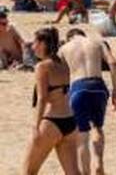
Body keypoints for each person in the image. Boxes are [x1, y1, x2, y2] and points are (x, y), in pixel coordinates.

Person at [59, 27, 116, 175]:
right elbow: (113, 63)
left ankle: (86, 172)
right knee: (97, 128)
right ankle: (98, 162)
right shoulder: (98, 42)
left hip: (78, 88)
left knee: (82, 133)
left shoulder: (64, 48)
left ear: (69, 38)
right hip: (98, 86)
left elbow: (60, 74)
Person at [24, 27, 82, 175]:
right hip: (70, 121)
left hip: (51, 122)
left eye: (34, 42)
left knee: (29, 171)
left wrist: (35, 127)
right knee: (73, 172)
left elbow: (43, 99)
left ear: (43, 44)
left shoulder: (42, 67)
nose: (32, 46)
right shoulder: (65, 63)